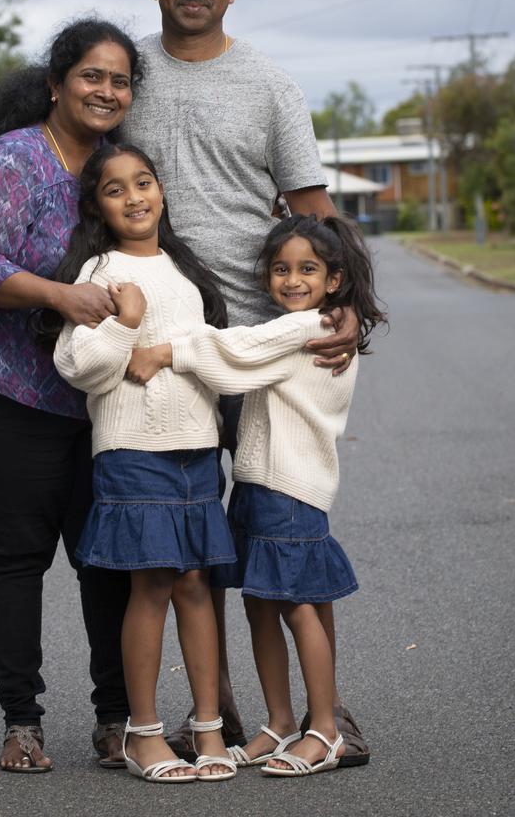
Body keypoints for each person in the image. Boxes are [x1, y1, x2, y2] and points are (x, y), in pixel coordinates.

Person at [120, 0, 368, 765]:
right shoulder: (124, 75)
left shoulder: (269, 85)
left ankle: (322, 714)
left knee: (278, 529)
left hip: (258, 351)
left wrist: (349, 308)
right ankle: (204, 710)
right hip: (156, 353)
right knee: (165, 540)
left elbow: (313, 210)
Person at [0, 18, 141, 773]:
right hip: (6, 390)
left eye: (119, 81)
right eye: (91, 75)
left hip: (95, 395)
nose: (106, 91)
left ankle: (117, 719)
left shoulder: (117, 166)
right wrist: (61, 294)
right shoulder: (13, 158)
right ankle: (22, 722)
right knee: (21, 553)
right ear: (55, 83)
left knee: (105, 559)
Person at [126, 213, 387, 777]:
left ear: (334, 280)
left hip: (290, 491)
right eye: (280, 270)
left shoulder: (312, 327)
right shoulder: (302, 324)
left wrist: (165, 351)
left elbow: (237, 354)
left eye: (307, 270)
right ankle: (279, 723)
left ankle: (325, 729)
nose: (292, 280)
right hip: (258, 485)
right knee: (259, 606)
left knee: (295, 608)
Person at [50, 143, 238, 783]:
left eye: (145, 182)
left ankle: (209, 729)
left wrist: (174, 348)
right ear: (97, 207)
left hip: (196, 451)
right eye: (115, 189)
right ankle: (143, 733)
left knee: (195, 585)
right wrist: (126, 323)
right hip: (134, 452)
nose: (135, 197)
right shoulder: (97, 274)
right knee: (153, 585)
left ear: (161, 191)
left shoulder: (185, 272)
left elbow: (211, 355)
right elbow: (83, 369)